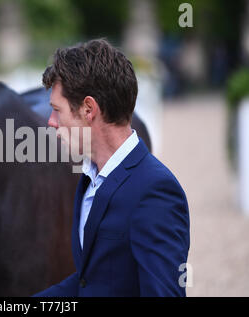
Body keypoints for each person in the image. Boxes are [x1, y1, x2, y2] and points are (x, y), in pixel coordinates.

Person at [34, 39, 190, 297]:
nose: (51, 122)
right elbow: (92, 282)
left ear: (88, 109)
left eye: (56, 110)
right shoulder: (89, 179)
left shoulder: (155, 191)